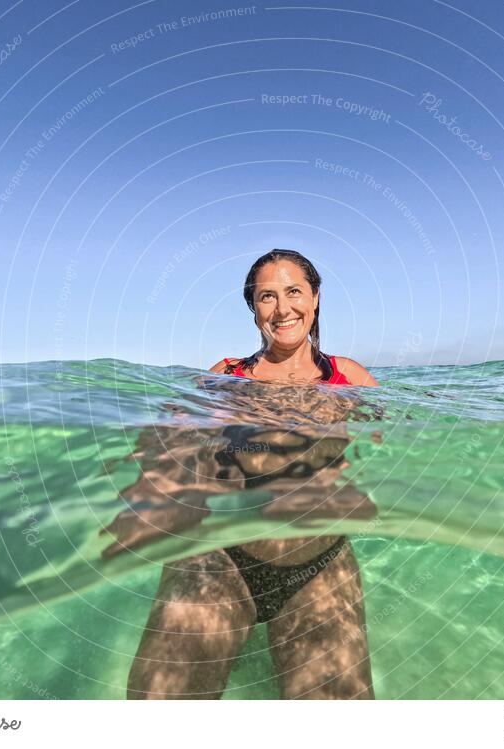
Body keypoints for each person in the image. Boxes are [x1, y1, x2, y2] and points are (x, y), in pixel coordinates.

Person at [126, 249, 380, 699]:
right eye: (267, 297)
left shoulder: (349, 376)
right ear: (254, 310)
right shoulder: (225, 378)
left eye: (294, 291)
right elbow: (169, 438)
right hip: (219, 559)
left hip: (319, 568)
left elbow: (390, 441)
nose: (283, 308)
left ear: (315, 298)